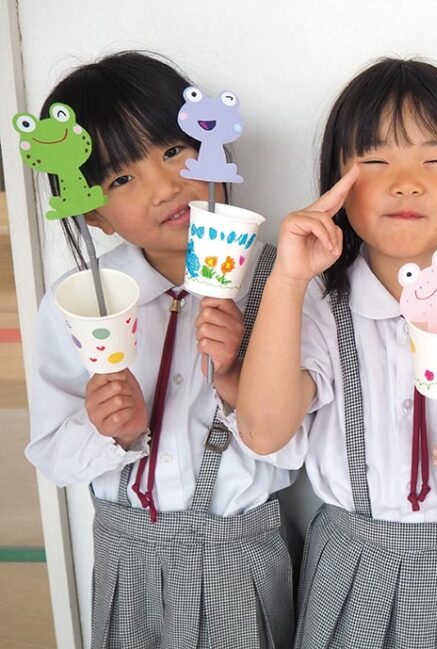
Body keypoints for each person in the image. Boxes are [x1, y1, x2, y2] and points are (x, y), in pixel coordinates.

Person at [237, 58, 437, 648]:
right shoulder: (317, 306)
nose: (406, 182)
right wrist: (289, 279)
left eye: (435, 159)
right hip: (352, 571)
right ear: (338, 181)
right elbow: (264, 432)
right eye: (375, 162)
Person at [25, 51, 296, 649]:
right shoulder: (79, 302)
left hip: (239, 555)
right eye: (122, 179)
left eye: (174, 150)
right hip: (125, 559)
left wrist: (239, 377)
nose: (165, 187)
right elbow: (51, 453)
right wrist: (111, 434)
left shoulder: (278, 283)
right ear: (94, 214)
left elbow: (307, 448)